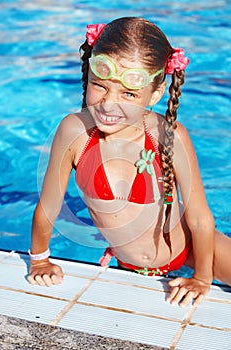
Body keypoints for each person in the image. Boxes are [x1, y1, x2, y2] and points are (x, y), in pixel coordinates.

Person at [27, 17, 231, 307]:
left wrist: (201, 278)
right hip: (129, 262)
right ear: (87, 76)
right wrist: (39, 260)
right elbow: (48, 207)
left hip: (193, 249)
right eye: (99, 86)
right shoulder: (75, 133)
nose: (110, 103)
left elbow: (199, 217)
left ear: (155, 94)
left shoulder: (167, 135)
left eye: (129, 93)